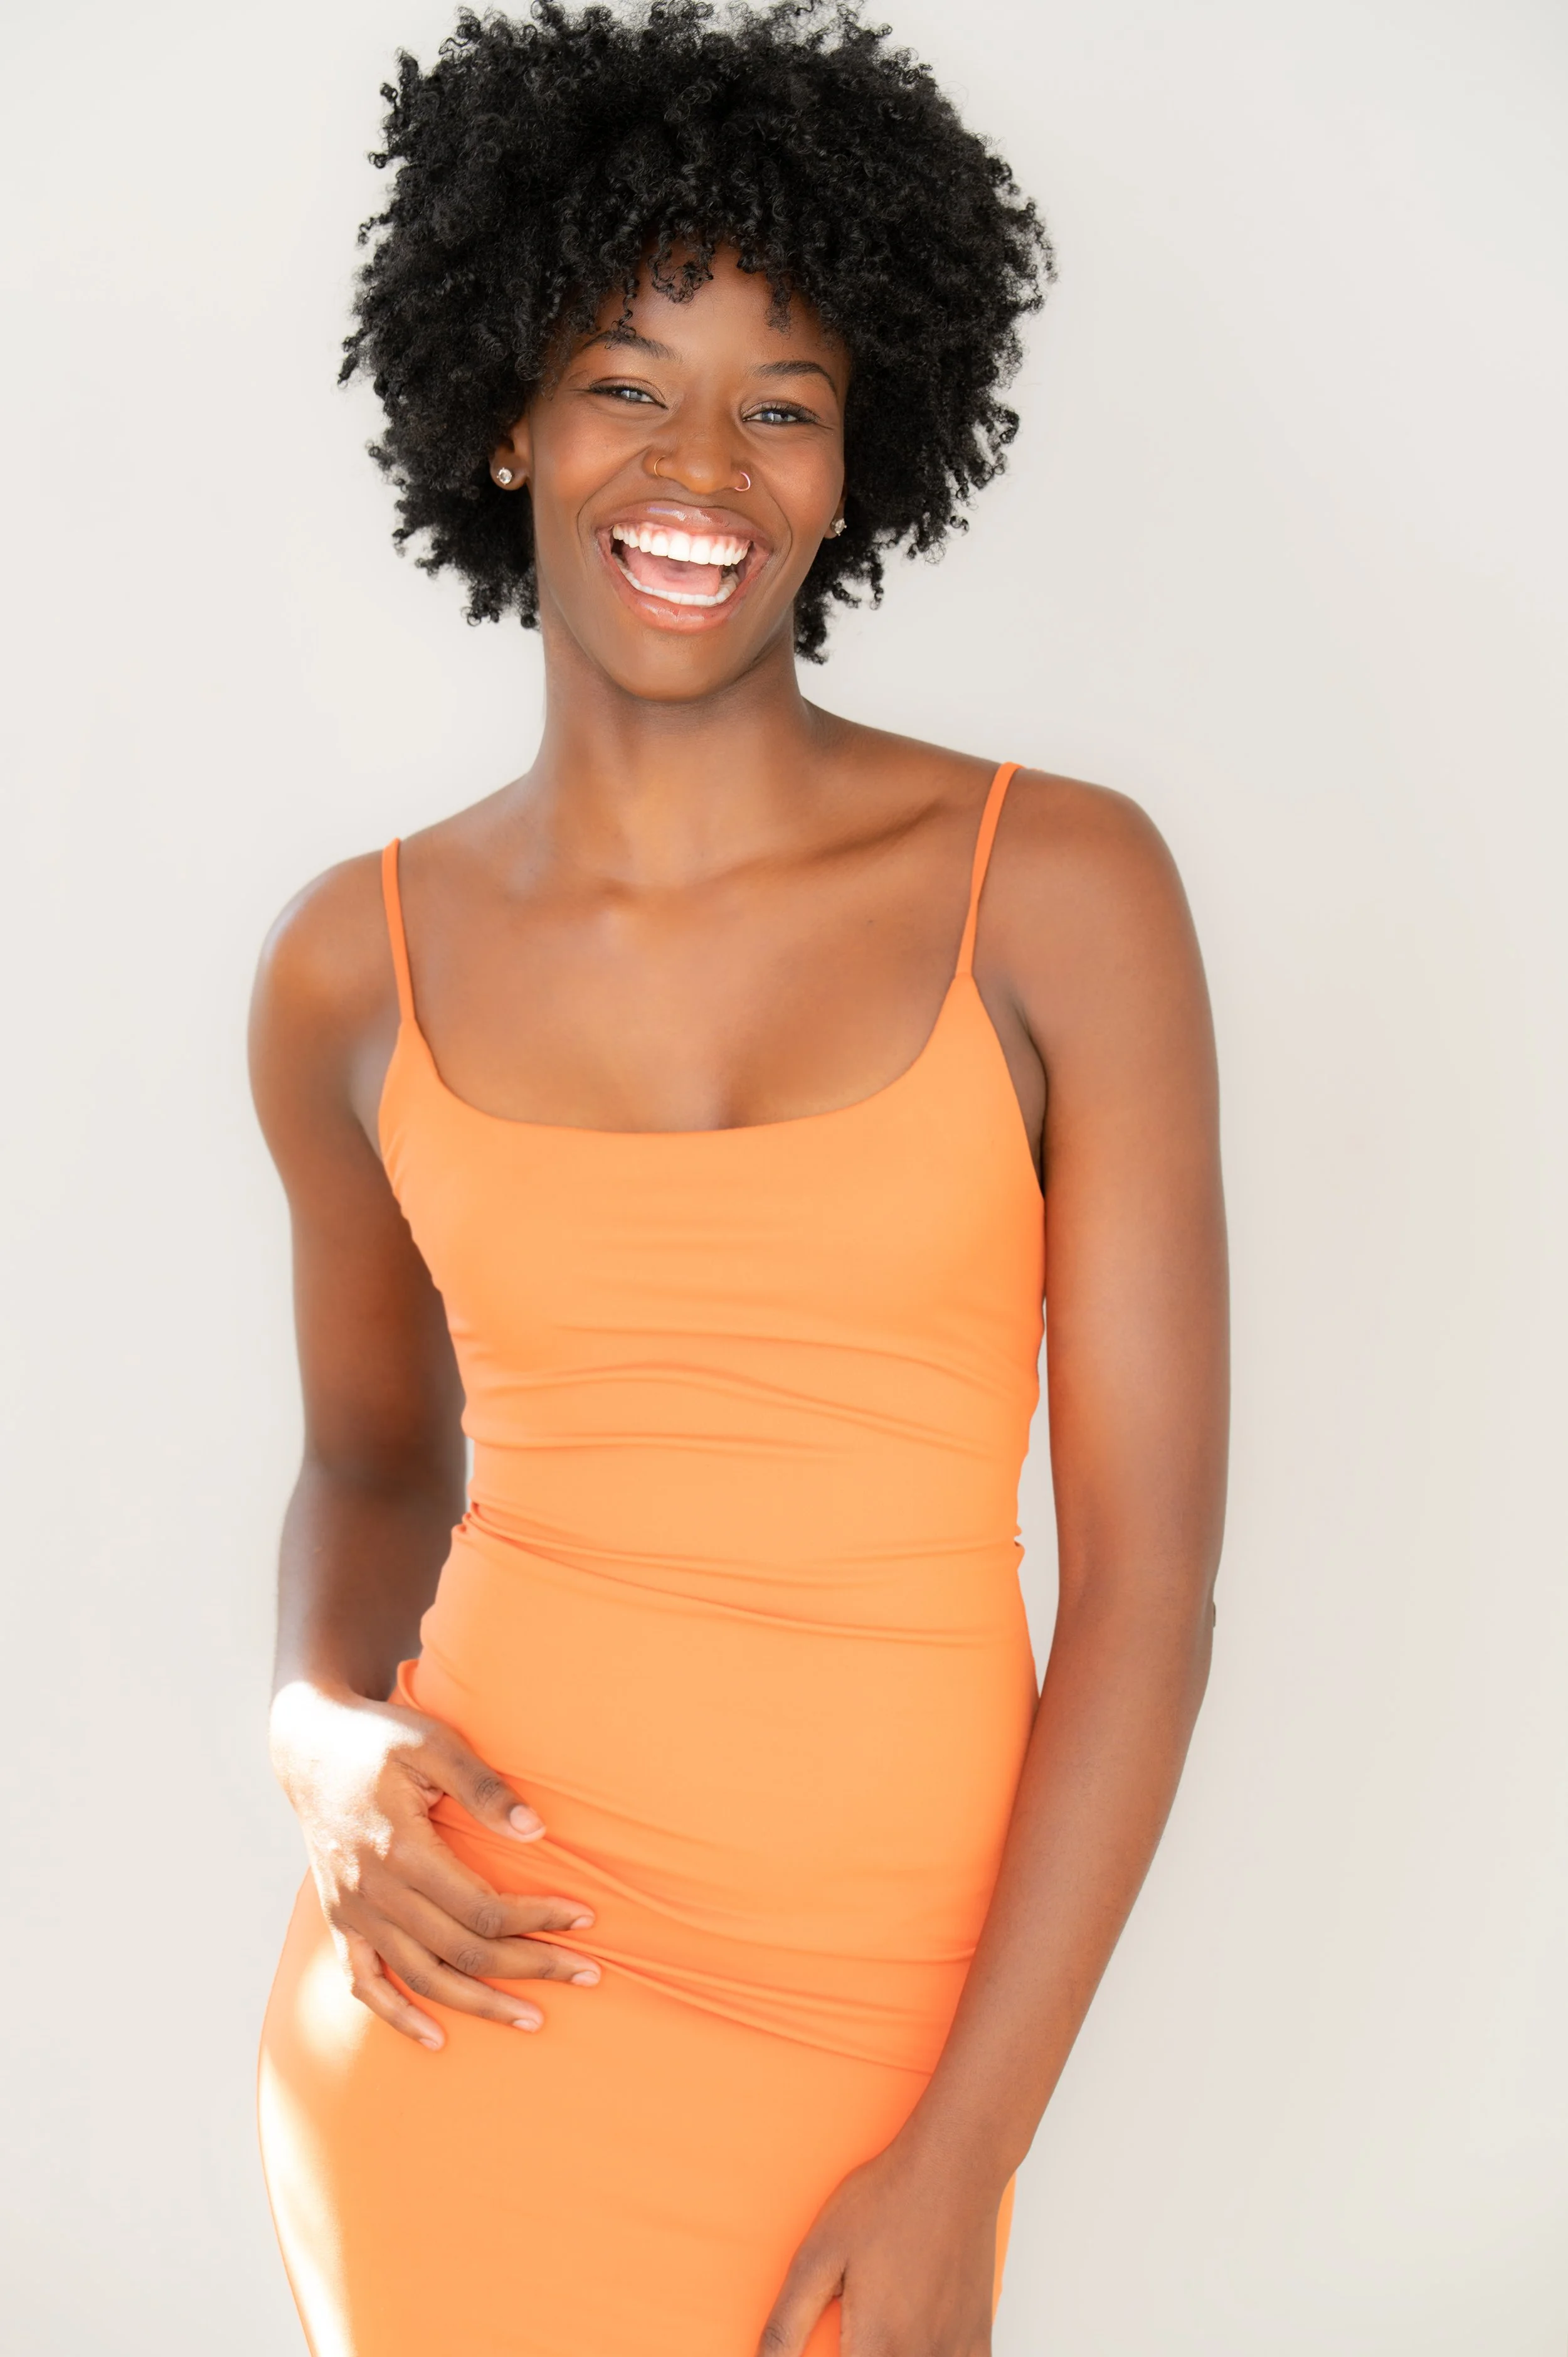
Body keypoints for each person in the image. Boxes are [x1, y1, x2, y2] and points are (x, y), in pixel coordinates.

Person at [251, 5, 1228, 2353]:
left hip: (878, 2036)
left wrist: (963, 2153)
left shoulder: (1058, 894)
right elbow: (372, 1459)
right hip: (459, 1997)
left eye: (780, 402)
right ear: (504, 413)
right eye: (625, 379)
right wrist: (309, 1727)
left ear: (858, 452)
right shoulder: (348, 966)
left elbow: (1147, 1584)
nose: (700, 465)